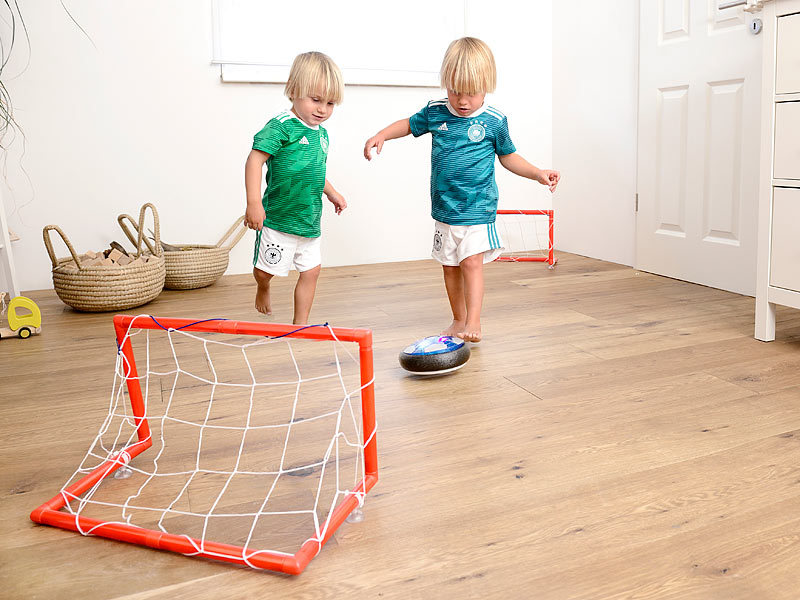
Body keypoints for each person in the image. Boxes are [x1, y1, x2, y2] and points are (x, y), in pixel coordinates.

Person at [363, 37, 560, 342]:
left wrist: (537, 173)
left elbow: (508, 156)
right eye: (455, 91)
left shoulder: (494, 121)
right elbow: (408, 124)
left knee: (471, 263)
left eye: (471, 93)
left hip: (478, 209)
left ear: (487, 86)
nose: (463, 101)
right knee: (449, 266)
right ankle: (458, 319)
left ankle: (474, 321)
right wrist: (382, 135)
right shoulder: (436, 111)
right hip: (445, 210)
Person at [244, 51, 347, 324]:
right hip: (278, 219)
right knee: (266, 271)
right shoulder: (281, 127)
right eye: (315, 100)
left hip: (309, 220)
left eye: (330, 103)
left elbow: (314, 171)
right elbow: (254, 161)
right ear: (293, 90)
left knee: (311, 271)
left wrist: (332, 192)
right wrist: (254, 203)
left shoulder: (322, 134)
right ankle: (263, 287)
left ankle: (300, 325)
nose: (322, 109)